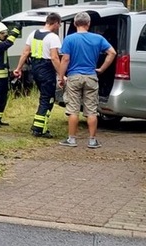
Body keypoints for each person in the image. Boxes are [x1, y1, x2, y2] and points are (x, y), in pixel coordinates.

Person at [57, 11, 116, 148]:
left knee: (73, 109)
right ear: (88, 24)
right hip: (91, 77)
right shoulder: (98, 38)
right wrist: (102, 69)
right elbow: (112, 53)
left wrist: (61, 77)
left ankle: (71, 139)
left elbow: (65, 59)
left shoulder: (69, 39)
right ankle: (92, 140)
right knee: (91, 110)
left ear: (75, 23)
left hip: (74, 77)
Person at [13, 13, 62, 138]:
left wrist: (18, 68)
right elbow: (55, 57)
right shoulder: (53, 37)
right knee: (48, 99)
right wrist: (62, 74)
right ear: (55, 22)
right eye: (59, 24)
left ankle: (37, 125)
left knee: (44, 97)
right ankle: (40, 129)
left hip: (35, 69)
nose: (59, 26)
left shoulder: (33, 34)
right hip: (47, 70)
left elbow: (25, 53)